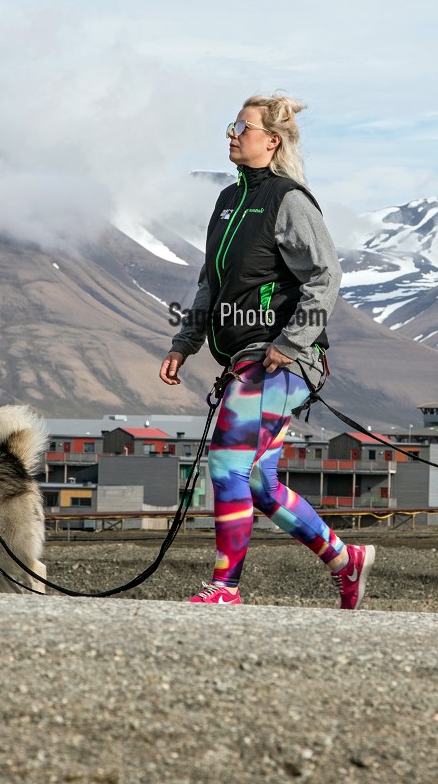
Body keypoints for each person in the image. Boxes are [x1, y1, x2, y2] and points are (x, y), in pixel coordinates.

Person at [159, 93, 375, 609]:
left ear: (271, 140)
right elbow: (210, 284)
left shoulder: (289, 199)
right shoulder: (227, 202)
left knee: (226, 464)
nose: (232, 134)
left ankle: (225, 587)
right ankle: (346, 561)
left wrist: (291, 342)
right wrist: (185, 341)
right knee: (257, 480)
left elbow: (327, 275)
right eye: (231, 126)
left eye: (242, 127)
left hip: (280, 360)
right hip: (244, 356)